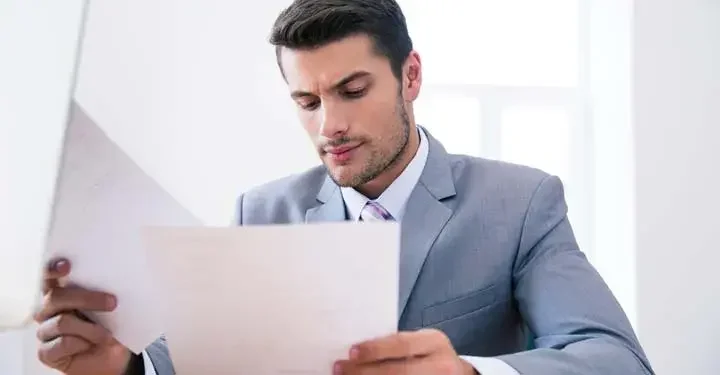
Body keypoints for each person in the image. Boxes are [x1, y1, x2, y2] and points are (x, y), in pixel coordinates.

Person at [34, 0, 655, 374]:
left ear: (410, 76)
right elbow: (205, 358)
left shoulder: (520, 203)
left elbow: (615, 359)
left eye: (352, 91)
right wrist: (124, 367)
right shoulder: (263, 210)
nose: (328, 125)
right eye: (307, 101)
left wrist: (469, 370)